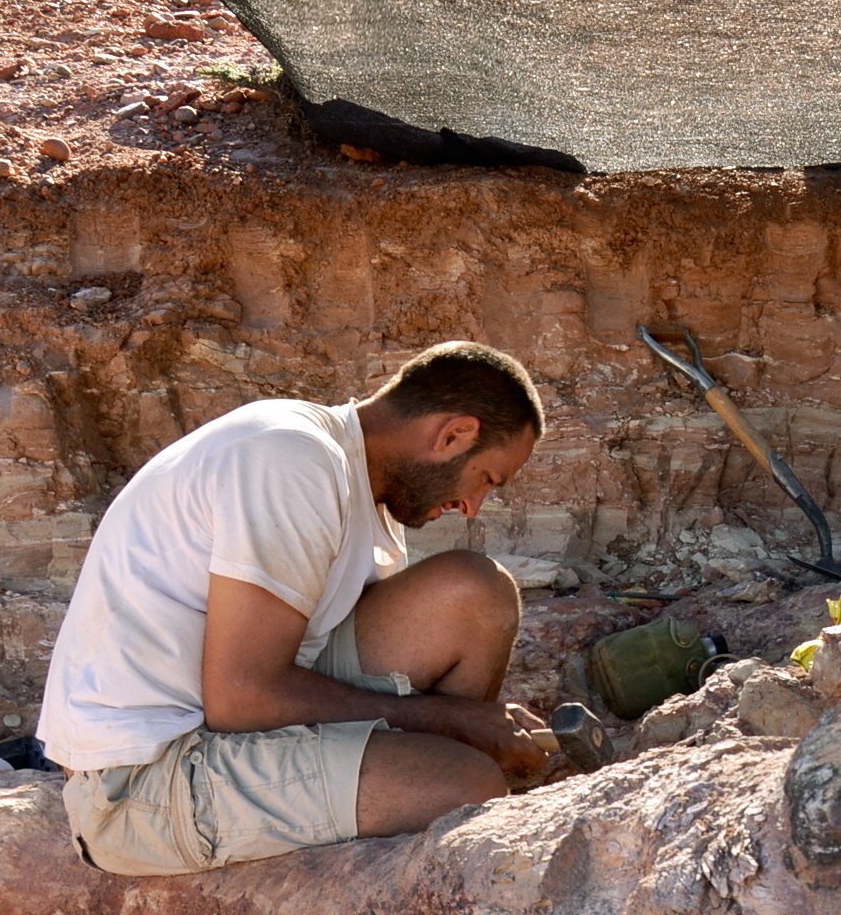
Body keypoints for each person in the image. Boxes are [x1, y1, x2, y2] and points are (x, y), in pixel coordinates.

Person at [40, 340, 555, 876]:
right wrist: (452, 722)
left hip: (231, 712)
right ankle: (418, 786)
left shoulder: (362, 484)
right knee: (465, 782)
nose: (472, 507)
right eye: (486, 480)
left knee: (476, 592)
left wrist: (454, 725)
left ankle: (401, 784)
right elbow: (241, 698)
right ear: (453, 435)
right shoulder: (292, 458)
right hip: (144, 781)